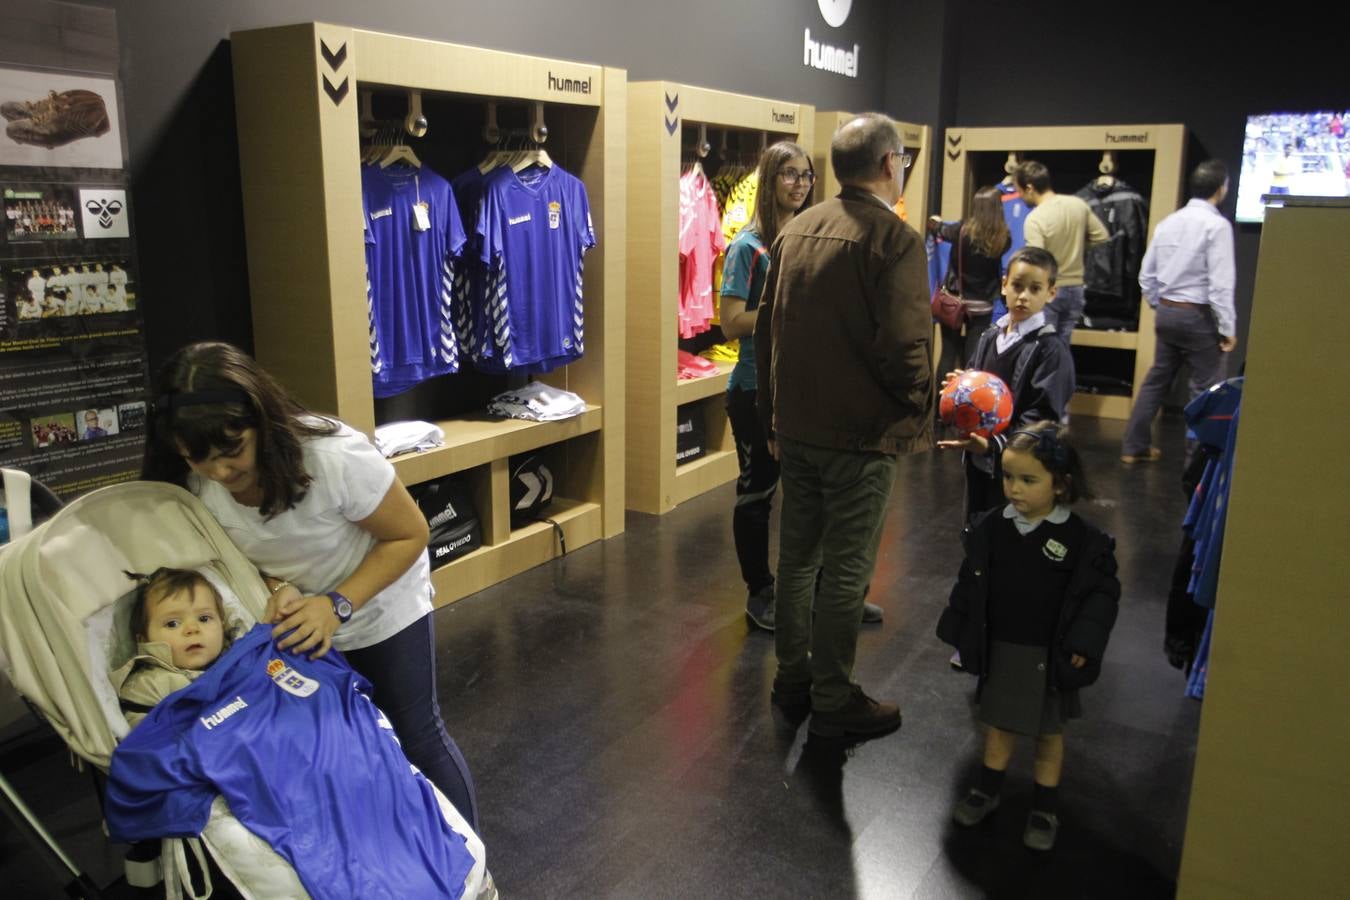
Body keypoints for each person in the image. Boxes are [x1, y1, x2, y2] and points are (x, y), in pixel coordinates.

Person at [142, 341, 478, 829]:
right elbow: (241, 556)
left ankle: (472, 871)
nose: (220, 472)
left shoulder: (333, 458)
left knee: (416, 735)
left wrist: (337, 604)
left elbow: (411, 535)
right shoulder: (195, 486)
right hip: (302, 622)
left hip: (382, 606)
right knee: (345, 747)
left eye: (232, 451)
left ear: (260, 420)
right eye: (200, 459)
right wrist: (278, 585)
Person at [754, 113, 933, 738]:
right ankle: (833, 695)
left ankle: (793, 679)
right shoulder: (897, 241)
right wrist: (917, 407)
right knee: (847, 570)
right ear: (890, 164)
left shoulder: (797, 229)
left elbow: (768, 337)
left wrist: (772, 417)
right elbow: (906, 349)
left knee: (798, 559)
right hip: (859, 436)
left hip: (797, 429)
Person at [720, 141, 883, 631]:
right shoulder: (747, 248)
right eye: (789, 175)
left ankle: (824, 591)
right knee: (758, 493)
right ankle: (760, 592)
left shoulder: (814, 238)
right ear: (769, 180)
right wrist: (789, 315)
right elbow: (730, 322)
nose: (800, 184)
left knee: (817, 493)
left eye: (807, 176)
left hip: (807, 390)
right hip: (754, 390)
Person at [936, 422, 1120, 851]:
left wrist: (1084, 643)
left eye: (1028, 480)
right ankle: (986, 789)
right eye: (1007, 477)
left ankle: (1045, 807)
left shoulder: (1083, 541)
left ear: (1061, 485)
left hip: (1049, 656)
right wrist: (960, 630)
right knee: (998, 729)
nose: (1014, 489)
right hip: (1004, 650)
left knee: (1048, 737)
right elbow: (972, 584)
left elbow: (1100, 597)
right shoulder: (991, 528)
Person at [938, 246, 1075, 524]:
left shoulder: (1050, 349)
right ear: (1004, 285)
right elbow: (978, 381)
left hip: (1018, 468)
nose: (1024, 296)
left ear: (1051, 293)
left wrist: (995, 445)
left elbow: (1043, 419)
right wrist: (961, 388)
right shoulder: (990, 336)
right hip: (978, 460)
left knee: (1009, 536)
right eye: (1017, 285)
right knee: (976, 529)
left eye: (1035, 289)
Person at [1120, 159, 1238, 465]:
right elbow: (1221, 284)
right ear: (1221, 188)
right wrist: (1227, 328)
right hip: (1198, 316)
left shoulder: (1169, 222)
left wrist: (1159, 304)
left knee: (1157, 380)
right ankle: (1196, 461)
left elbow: (1146, 274)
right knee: (1206, 389)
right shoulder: (1217, 226)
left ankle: (1133, 446)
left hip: (1168, 312)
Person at [114, 568, 234, 728]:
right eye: (172, 624)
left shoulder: (240, 658)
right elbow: (147, 741)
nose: (192, 628)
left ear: (222, 624)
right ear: (144, 640)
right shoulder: (149, 686)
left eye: (204, 618)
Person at [1015, 160, 1109, 344]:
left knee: (1039, 349)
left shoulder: (1035, 218)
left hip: (1049, 291)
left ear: (1029, 188)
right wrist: (1079, 247)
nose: (1019, 196)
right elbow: (1101, 236)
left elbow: (1036, 261)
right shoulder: (1077, 205)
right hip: (1076, 288)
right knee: (1062, 349)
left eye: (1019, 191)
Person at [926, 186, 1013, 377]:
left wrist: (936, 222)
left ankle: (942, 404)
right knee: (974, 357)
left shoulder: (962, 230)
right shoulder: (1004, 237)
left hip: (954, 301)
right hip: (983, 304)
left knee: (948, 355)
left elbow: (940, 229)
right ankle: (968, 402)